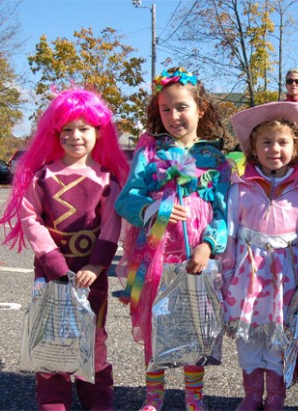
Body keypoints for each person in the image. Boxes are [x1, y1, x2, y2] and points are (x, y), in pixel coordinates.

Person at [0, 88, 130, 410]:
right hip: (51, 273)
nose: (75, 137)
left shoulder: (106, 180)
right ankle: (53, 395)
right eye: (66, 129)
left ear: (99, 131)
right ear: (56, 133)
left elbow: (111, 225)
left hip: (90, 277)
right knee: (52, 333)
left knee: (93, 335)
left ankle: (95, 394)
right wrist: (53, 261)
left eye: (83, 128)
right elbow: (30, 218)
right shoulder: (41, 177)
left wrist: (97, 266)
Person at [113, 67, 231, 411]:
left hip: (196, 254)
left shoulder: (216, 158)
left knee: (194, 323)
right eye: (166, 109)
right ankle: (154, 397)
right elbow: (126, 199)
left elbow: (225, 214)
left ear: (200, 110)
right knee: (157, 320)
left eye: (181, 107)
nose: (174, 116)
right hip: (157, 256)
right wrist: (154, 208)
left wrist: (209, 245)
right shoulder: (150, 152)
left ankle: (194, 397)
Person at [223, 101, 298, 411]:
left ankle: (276, 397)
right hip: (246, 277)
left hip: (286, 279)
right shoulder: (240, 188)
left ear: (296, 146)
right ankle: (252, 395)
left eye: (282, 142)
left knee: (281, 339)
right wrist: (224, 274)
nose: (274, 148)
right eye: (266, 142)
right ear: (253, 147)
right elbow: (230, 233)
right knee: (249, 337)